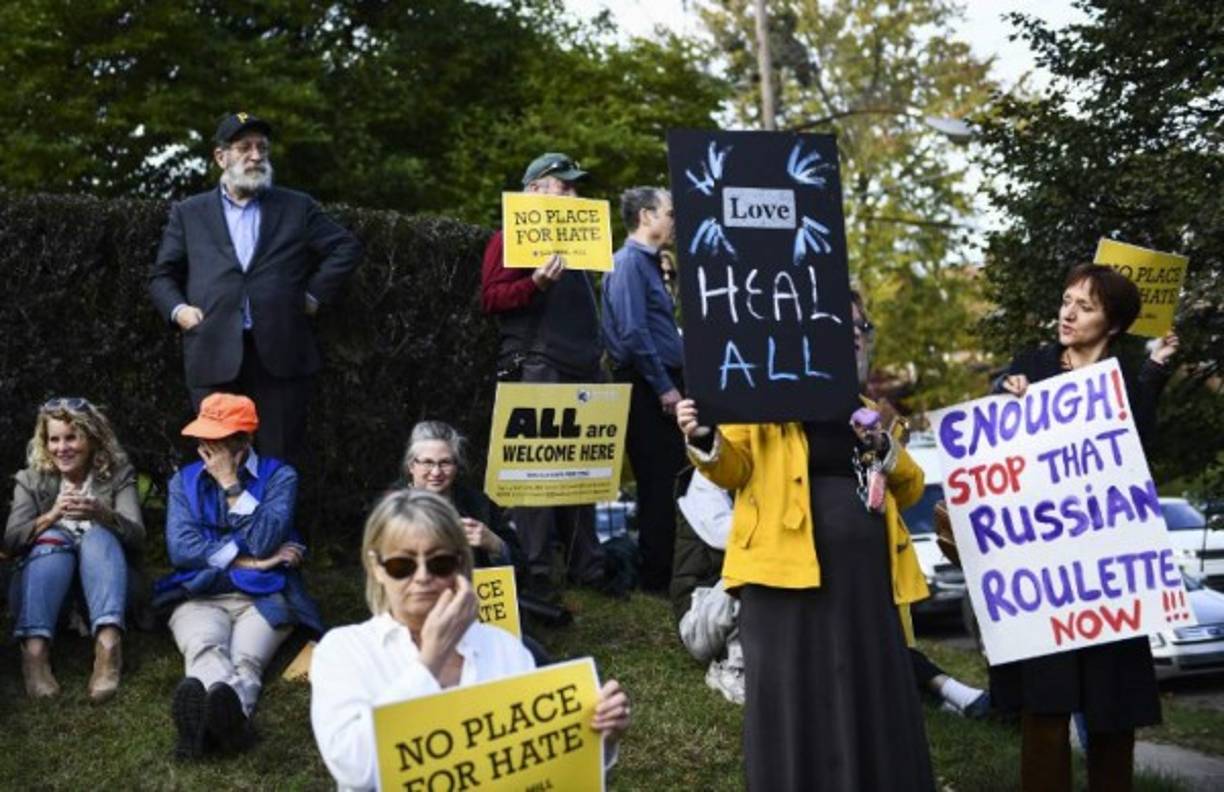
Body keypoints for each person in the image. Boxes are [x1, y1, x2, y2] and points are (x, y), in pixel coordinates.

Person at [675, 291, 935, 791]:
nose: (854, 333)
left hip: (863, 588)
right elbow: (732, 469)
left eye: (861, 326)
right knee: (798, 706)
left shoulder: (867, 411)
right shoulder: (760, 399)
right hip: (783, 584)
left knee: (869, 700)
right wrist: (704, 437)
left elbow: (912, 487)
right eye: (842, 323)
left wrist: (886, 448)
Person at [991, 263, 1178, 792]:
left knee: (1112, 707)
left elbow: (1139, 452)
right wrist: (1005, 392)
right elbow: (995, 445)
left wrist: (1155, 371)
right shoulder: (1032, 367)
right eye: (1066, 300)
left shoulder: (1125, 380)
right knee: (1045, 707)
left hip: (1105, 574)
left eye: (1085, 306)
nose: (1068, 314)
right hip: (1046, 575)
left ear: (1112, 325)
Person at [309, 489, 631, 791]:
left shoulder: (503, 646)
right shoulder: (344, 651)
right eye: (401, 565)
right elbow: (356, 769)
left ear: (460, 565)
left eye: (439, 563)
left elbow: (542, 767)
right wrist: (430, 661)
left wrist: (598, 736)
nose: (422, 577)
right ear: (376, 568)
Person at [149, 112, 362, 463]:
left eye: (262, 148)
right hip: (213, 352)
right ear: (221, 157)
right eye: (244, 147)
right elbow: (161, 276)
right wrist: (180, 311)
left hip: (281, 354)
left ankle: (273, 504)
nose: (256, 156)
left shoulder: (296, 207)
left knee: (278, 460)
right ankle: (225, 504)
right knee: (218, 458)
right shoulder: (190, 212)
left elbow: (345, 247)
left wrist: (313, 295)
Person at [154, 393, 323, 759]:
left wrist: (231, 484)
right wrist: (252, 562)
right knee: (204, 647)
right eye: (204, 436)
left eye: (217, 439)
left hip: (265, 595)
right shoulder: (182, 482)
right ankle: (233, 728)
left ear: (244, 440)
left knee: (246, 659)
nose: (206, 445)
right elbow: (182, 550)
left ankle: (205, 731)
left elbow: (263, 539)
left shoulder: (280, 477)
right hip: (201, 594)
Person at [479, 152, 606, 600]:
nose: (573, 193)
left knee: (585, 469)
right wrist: (535, 283)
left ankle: (587, 567)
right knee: (533, 470)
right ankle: (535, 568)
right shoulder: (508, 237)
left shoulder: (581, 246)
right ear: (534, 190)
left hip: (582, 366)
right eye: (564, 185)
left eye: (575, 187)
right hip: (537, 363)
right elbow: (491, 298)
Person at [5, 398, 144, 701]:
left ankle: (109, 646)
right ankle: (35, 652)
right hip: (44, 589)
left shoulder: (118, 475)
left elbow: (137, 537)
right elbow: (11, 541)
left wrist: (102, 514)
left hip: (107, 587)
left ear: (92, 439)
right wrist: (51, 516)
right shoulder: (31, 479)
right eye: (54, 439)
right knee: (52, 538)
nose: (62, 448)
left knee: (98, 536)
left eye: (71, 438)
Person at [601, 186, 687, 592]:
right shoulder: (628, 264)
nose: (674, 220)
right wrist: (665, 387)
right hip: (647, 386)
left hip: (662, 381)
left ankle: (670, 569)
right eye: (670, 212)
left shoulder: (650, 264)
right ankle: (656, 577)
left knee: (673, 476)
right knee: (658, 480)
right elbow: (633, 333)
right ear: (646, 216)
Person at [392, 420, 520, 571]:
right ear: (411, 466)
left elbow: (521, 568)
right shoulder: (391, 508)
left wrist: (496, 545)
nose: (436, 472)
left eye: (445, 463)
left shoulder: (479, 505)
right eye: (427, 462)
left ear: (457, 466)